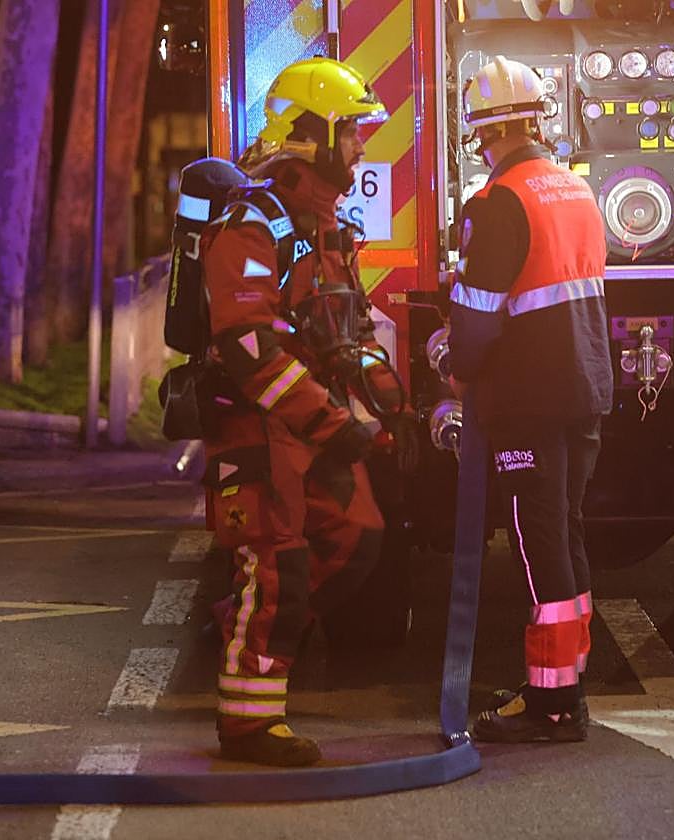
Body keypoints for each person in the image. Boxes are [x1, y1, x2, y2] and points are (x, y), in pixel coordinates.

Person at [199, 57, 401, 766]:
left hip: (309, 428)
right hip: (260, 430)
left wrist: (383, 399)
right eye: (352, 132)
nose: (362, 147)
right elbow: (248, 345)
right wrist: (331, 422)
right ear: (312, 133)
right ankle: (249, 725)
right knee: (279, 570)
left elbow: (349, 326)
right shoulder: (253, 225)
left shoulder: (327, 227)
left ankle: (249, 631)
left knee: (358, 539)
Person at [447, 56, 613, 743]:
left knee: (538, 543)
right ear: (538, 118)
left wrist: (451, 364)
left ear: (480, 132)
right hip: (583, 389)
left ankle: (551, 706)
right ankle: (564, 687)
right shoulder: (573, 190)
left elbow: (478, 315)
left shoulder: (496, 203)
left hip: (528, 403)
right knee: (565, 536)